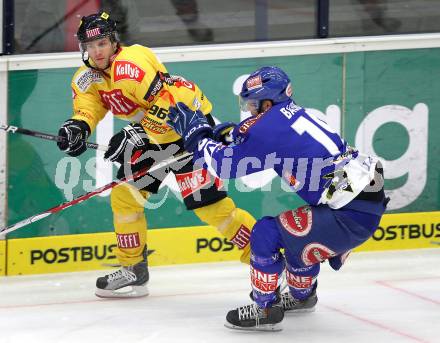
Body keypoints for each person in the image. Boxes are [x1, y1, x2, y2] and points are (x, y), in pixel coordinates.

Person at [167, 66, 389, 331]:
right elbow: (261, 136)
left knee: (265, 233)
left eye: (252, 104)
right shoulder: (291, 114)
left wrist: (198, 137)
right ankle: (301, 296)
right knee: (294, 236)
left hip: (349, 213)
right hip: (361, 201)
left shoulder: (267, 128)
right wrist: (228, 136)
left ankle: (265, 310)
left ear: (268, 102)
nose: (249, 110)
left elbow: (224, 167)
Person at [56, 12, 256, 298]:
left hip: (189, 129)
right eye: (90, 46)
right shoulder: (86, 78)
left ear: (113, 42)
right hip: (156, 136)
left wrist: (136, 134)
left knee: (211, 208)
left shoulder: (131, 65)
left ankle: (267, 260)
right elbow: (90, 107)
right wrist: (78, 126)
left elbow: (168, 104)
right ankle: (133, 269)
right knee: (125, 197)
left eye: (101, 43)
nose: (96, 51)